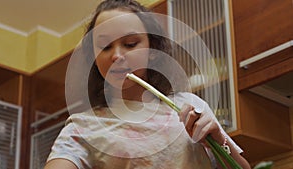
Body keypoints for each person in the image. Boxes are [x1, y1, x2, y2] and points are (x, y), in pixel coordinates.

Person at [44, 0, 251, 168]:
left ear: (153, 51)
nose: (116, 55)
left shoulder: (191, 107)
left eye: (130, 44)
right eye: (104, 46)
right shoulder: (82, 127)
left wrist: (217, 140)